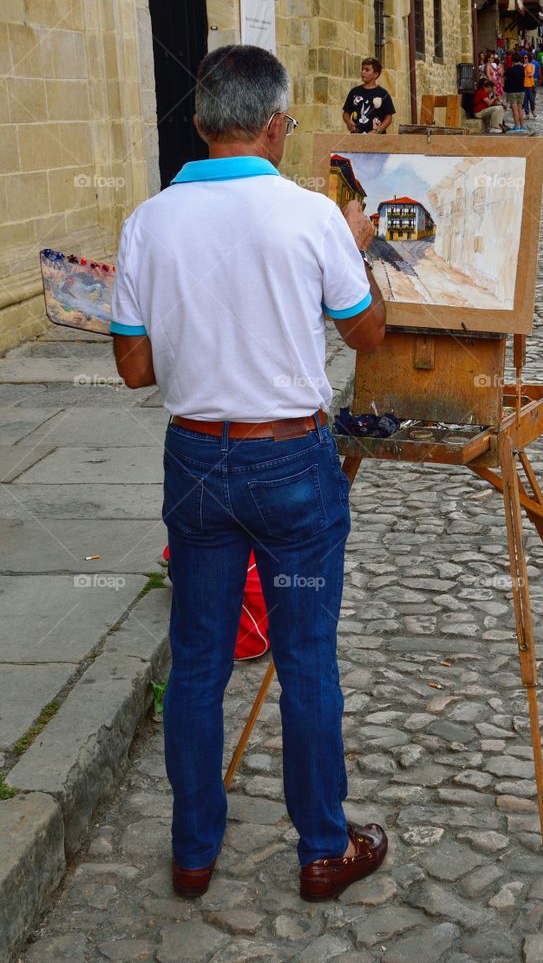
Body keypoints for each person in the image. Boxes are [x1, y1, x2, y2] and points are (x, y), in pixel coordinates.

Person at [111, 45, 388, 904]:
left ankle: (194, 852)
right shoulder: (309, 215)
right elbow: (366, 334)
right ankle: (322, 849)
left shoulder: (149, 220)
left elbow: (132, 370)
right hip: (290, 465)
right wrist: (355, 249)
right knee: (305, 659)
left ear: (198, 122)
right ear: (275, 125)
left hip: (197, 460)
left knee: (196, 661)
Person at [342, 58, 395, 133]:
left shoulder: (383, 94)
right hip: (356, 138)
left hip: (377, 140)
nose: (363, 72)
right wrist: (348, 122)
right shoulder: (354, 92)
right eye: (362, 69)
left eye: (367, 70)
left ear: (375, 74)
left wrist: (377, 131)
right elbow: (346, 113)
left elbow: (388, 118)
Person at [503, 49, 526, 131]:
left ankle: (517, 125)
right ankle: (522, 126)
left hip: (513, 91)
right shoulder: (522, 69)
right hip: (521, 90)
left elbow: (505, 77)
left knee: (515, 109)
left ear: (512, 60)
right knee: (520, 109)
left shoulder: (510, 70)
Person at [522, 52, 538, 119]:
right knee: (525, 100)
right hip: (524, 85)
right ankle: (527, 114)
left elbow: (532, 74)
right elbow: (522, 75)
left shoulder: (532, 65)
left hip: (531, 85)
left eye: (526, 58)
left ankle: (533, 110)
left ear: (529, 58)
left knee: (531, 99)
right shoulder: (523, 66)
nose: (524, 59)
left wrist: (526, 75)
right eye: (524, 58)